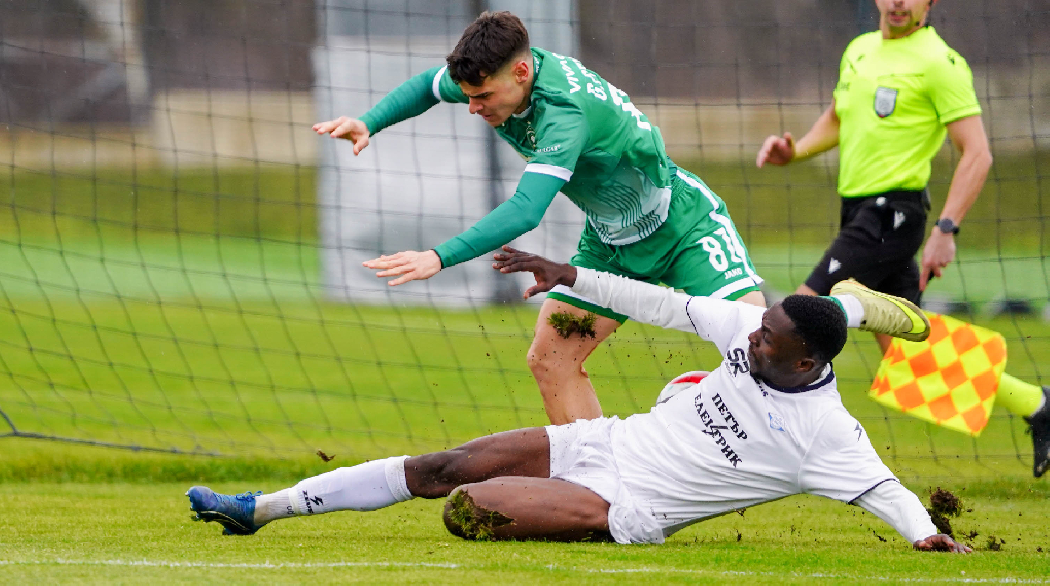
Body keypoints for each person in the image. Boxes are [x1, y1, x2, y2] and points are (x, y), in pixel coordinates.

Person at [314, 11, 923, 425]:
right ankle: (598, 483)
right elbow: (430, 86)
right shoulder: (499, 75)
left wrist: (437, 256)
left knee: (766, 353)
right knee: (550, 359)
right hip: (610, 244)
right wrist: (370, 121)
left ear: (520, 73)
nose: (473, 108)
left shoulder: (563, 113)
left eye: (483, 98)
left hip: (684, 228)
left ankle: (853, 308)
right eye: (469, 97)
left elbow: (526, 210)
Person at [187, 249, 967, 552]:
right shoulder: (748, 328)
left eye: (769, 342)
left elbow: (885, 490)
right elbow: (661, 303)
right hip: (606, 443)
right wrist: (571, 276)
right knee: (442, 466)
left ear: (806, 363)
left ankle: (865, 307)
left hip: (627, 504)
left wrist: (928, 536)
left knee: (466, 509)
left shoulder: (825, 432)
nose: (751, 338)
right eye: (757, 328)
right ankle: (261, 508)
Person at [755, 0, 1048, 477]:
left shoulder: (940, 63)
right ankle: (1039, 405)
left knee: (799, 314)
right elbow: (838, 117)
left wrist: (946, 229)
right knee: (910, 355)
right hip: (858, 212)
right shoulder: (859, 51)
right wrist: (794, 151)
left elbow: (978, 153)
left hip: (894, 213)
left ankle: (755, 438)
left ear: (930, 0)